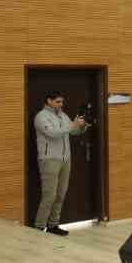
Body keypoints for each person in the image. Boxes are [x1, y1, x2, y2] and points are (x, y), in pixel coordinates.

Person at [31, 91, 89, 235]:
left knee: (61, 194)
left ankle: (53, 225)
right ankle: (39, 226)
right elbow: (53, 133)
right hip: (49, 159)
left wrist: (82, 126)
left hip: (65, 159)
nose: (61, 104)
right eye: (58, 101)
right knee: (49, 195)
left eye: (62, 102)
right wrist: (72, 125)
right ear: (49, 101)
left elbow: (73, 132)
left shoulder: (63, 116)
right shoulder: (41, 117)